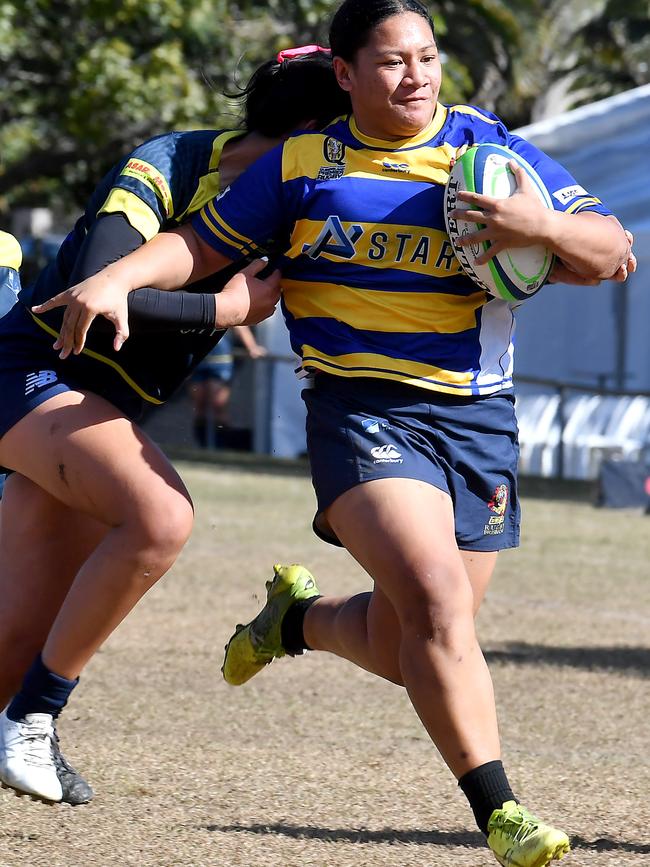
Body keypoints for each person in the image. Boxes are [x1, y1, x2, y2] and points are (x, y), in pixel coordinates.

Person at [33, 2, 632, 863]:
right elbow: (198, 246)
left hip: (476, 421)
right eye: (392, 62)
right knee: (435, 602)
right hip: (360, 415)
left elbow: (610, 248)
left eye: (427, 57)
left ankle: (298, 621)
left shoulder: (484, 152)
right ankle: (502, 809)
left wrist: (538, 227)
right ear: (346, 74)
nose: (417, 76)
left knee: (408, 643)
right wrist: (120, 278)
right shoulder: (301, 164)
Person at [0, 48, 351, 806]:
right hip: (32, 376)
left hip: (95, 413)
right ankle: (35, 720)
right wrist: (225, 311)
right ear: (313, 131)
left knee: (11, 645)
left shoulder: (300, 208)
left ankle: (19, 708)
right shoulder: (169, 164)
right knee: (160, 516)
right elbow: (98, 287)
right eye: (352, 140)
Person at [189, 325, 267, 448]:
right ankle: (203, 446)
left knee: (218, 404)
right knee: (199, 405)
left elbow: (240, 325)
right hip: (199, 359)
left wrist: (252, 347)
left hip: (220, 361)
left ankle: (221, 445)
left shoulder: (224, 305)